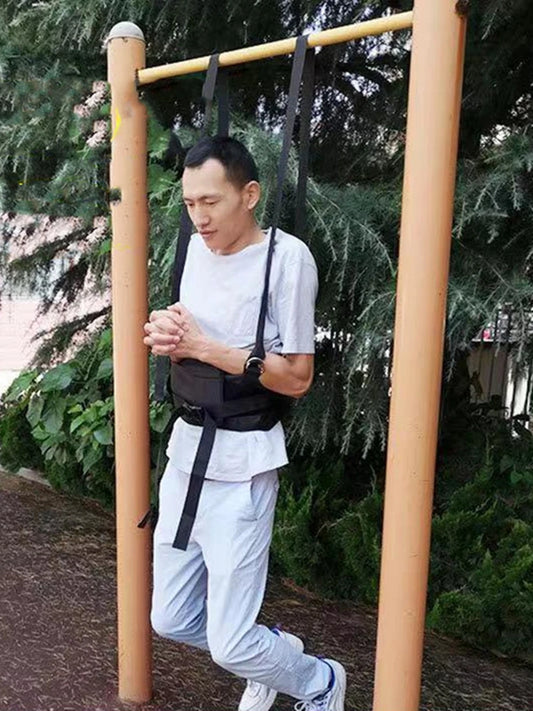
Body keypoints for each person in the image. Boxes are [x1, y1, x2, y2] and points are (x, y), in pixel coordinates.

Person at [143, 136, 346, 711]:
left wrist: (206, 347)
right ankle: (270, 657)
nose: (199, 217)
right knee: (169, 618)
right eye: (190, 203)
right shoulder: (192, 248)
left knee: (231, 644)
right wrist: (166, 330)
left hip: (243, 466)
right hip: (185, 458)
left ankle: (320, 682)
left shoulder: (287, 260)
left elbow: (298, 377)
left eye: (211, 201)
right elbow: (187, 331)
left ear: (250, 195)